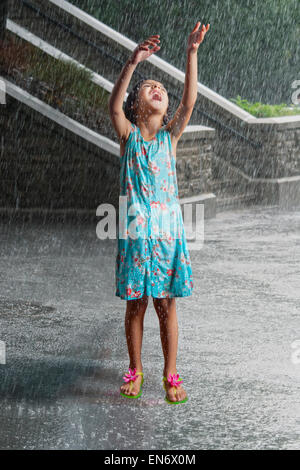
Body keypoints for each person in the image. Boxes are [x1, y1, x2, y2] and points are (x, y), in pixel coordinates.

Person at [108, 21, 210, 404]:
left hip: (166, 239)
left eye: (162, 89)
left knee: (167, 306)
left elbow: (189, 102)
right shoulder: (128, 136)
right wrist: (133, 63)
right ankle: (135, 368)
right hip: (136, 237)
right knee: (136, 306)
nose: (158, 90)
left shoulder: (170, 138)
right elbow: (113, 105)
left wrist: (191, 54)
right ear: (138, 104)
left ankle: (170, 370)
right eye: (151, 87)